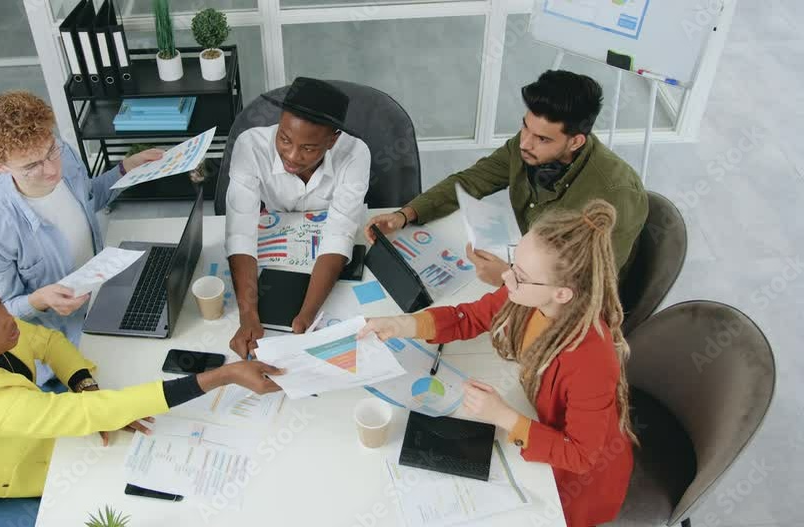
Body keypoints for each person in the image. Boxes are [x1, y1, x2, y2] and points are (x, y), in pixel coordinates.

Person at [0, 268, 282, 526]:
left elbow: (47, 340)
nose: (10, 319)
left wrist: (86, 388)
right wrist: (222, 375)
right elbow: (79, 413)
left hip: (5, 463)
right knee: (80, 516)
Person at [360, 200, 636, 527]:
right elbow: (470, 316)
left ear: (562, 293)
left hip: (575, 482)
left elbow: (580, 456)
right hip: (540, 424)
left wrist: (503, 416)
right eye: (513, 263)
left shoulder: (592, 361)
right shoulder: (527, 297)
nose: (506, 278)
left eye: (520, 275)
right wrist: (403, 325)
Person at [366, 70, 648, 287]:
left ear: (575, 142)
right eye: (525, 127)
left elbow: (592, 284)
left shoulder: (617, 194)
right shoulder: (527, 146)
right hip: (527, 263)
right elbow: (472, 180)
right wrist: (405, 214)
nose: (525, 143)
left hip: (564, 301)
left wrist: (509, 278)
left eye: (542, 138)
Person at [0, 91, 164, 385]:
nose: (52, 169)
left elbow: (89, 197)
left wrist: (125, 169)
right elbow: (1, 311)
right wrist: (39, 299)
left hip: (103, 294)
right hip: (63, 345)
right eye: (31, 166)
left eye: (50, 151)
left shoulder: (63, 154)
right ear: (0, 167)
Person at [225, 77, 370, 358]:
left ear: (333, 139)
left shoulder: (355, 153)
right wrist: (248, 315)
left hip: (323, 257)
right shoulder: (250, 145)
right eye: (284, 139)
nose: (291, 155)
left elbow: (339, 234)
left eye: (308, 148)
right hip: (273, 243)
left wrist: (306, 315)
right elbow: (240, 232)